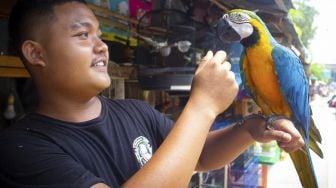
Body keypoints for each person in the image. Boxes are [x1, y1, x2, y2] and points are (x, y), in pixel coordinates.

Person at [0, 0, 304, 187]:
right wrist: (202, 107)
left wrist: (251, 128)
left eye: (100, 35)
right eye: (83, 34)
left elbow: (198, 154)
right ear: (36, 53)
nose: (102, 46)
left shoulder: (135, 111)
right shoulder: (20, 149)